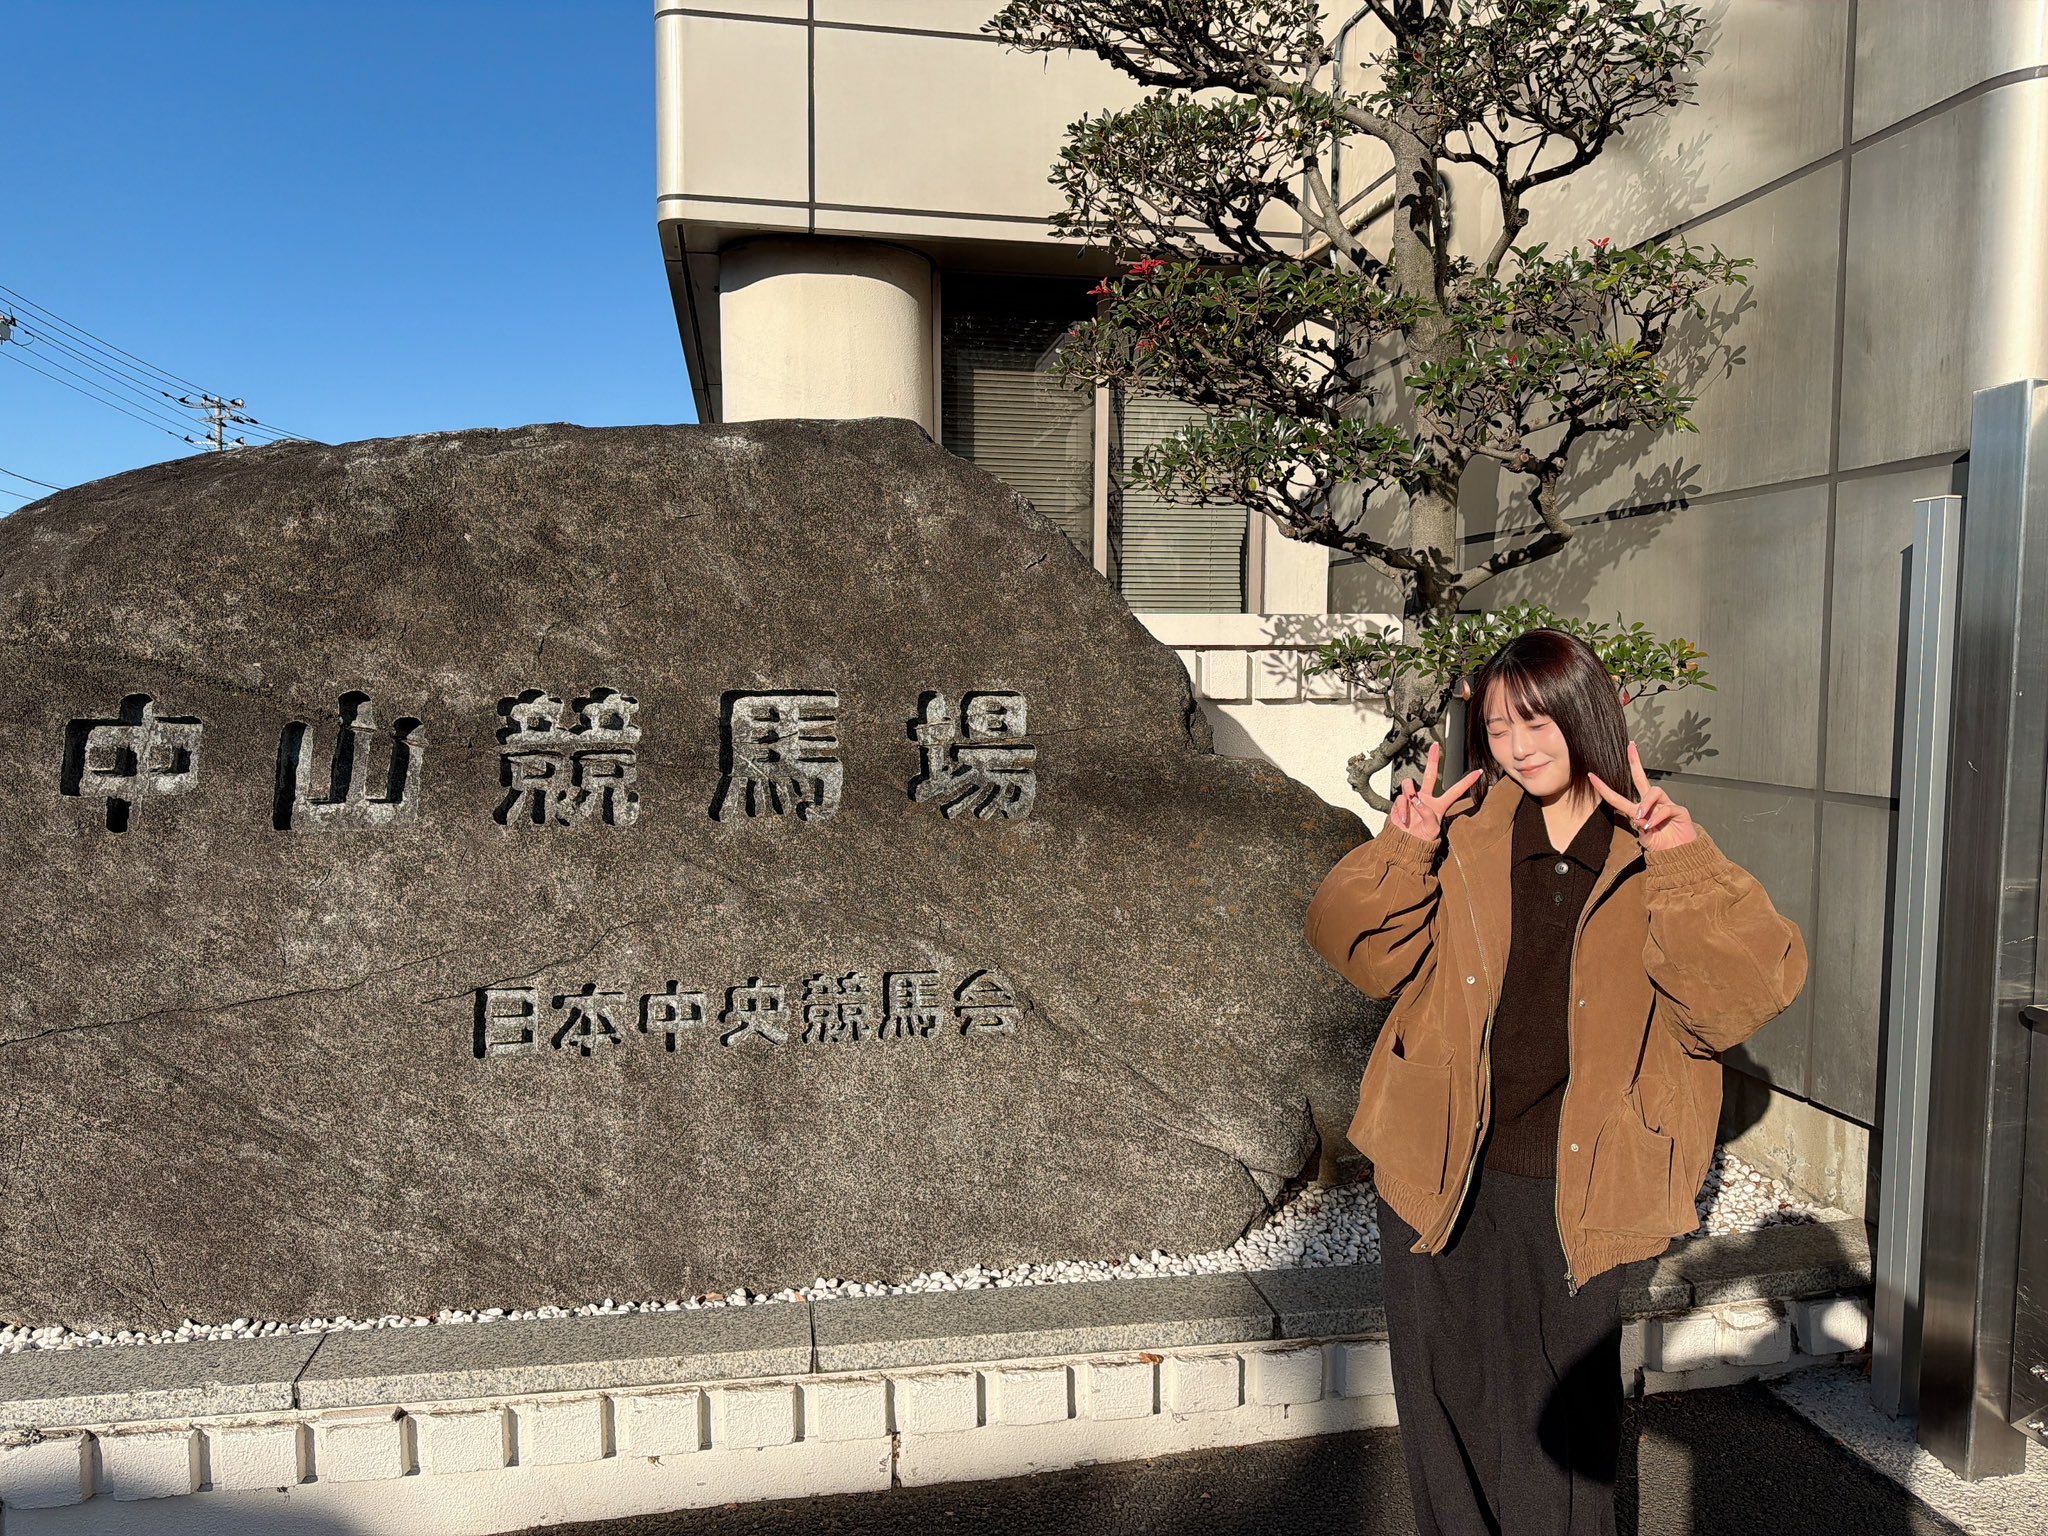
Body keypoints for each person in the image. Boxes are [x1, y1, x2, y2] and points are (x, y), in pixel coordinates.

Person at [1304, 627, 1808, 1536]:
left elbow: (1738, 1000)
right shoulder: (1461, 834)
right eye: (1499, 728)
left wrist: (1684, 863)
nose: (1517, 746)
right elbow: (1357, 949)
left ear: (1587, 717)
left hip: (1578, 1173)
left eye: (1536, 722)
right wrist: (1403, 850)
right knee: (1444, 1397)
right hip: (1439, 1155)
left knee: (1563, 1417)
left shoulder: (1654, 852)